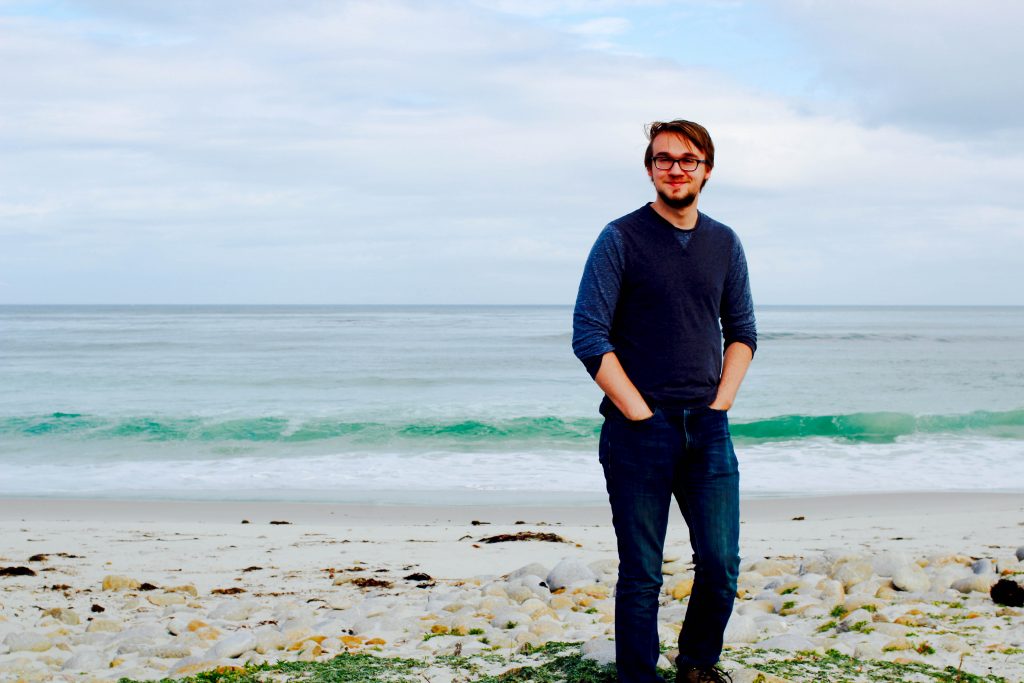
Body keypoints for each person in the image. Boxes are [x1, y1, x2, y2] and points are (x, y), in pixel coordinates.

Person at [572, 120, 757, 683]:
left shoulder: (724, 242)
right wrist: (639, 412)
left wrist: (719, 404)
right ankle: (637, 676)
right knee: (642, 574)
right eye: (663, 159)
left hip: (708, 430)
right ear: (650, 168)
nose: (675, 168)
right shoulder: (620, 238)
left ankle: (697, 665)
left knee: (722, 565)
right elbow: (589, 335)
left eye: (688, 159)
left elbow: (743, 331)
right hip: (636, 434)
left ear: (707, 168)